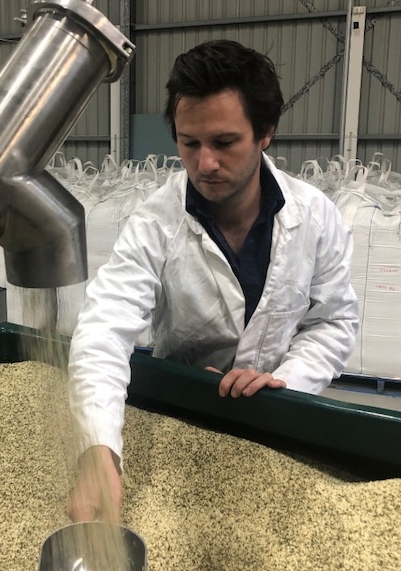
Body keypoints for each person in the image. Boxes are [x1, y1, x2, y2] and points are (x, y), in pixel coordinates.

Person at [66, 40, 359, 523]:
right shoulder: (155, 223)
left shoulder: (315, 216)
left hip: (277, 418)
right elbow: (103, 330)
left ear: (266, 133)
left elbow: (333, 322)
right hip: (182, 421)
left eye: (224, 143)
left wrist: (287, 380)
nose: (204, 164)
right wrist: (99, 448)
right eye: (189, 143)